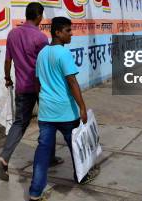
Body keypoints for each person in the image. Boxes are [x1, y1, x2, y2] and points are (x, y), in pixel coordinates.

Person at [28, 17, 99, 200]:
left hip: (46, 112)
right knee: (75, 147)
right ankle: (81, 177)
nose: (71, 34)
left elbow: (36, 83)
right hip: (66, 112)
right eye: (68, 31)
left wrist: (41, 101)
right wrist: (82, 107)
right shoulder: (63, 54)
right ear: (58, 32)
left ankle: (35, 191)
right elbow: (72, 81)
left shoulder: (42, 53)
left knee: (43, 151)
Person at [0, 2, 63, 180]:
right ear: (39, 16)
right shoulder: (40, 38)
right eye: (42, 16)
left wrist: (7, 78)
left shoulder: (12, 34)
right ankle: (50, 156)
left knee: (19, 124)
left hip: (22, 88)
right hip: (41, 87)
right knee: (49, 121)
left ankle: (3, 158)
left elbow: (8, 60)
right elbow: (48, 63)